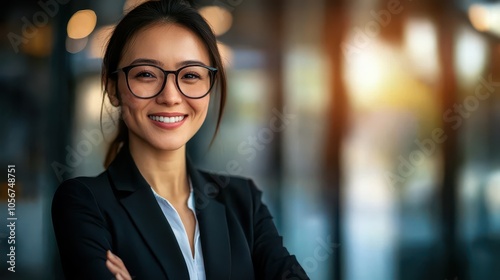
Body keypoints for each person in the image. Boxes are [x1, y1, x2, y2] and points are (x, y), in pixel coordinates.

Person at [51, 0, 309, 279]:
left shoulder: (243, 201)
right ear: (112, 87)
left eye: (190, 75)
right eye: (147, 74)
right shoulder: (85, 203)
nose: (171, 96)